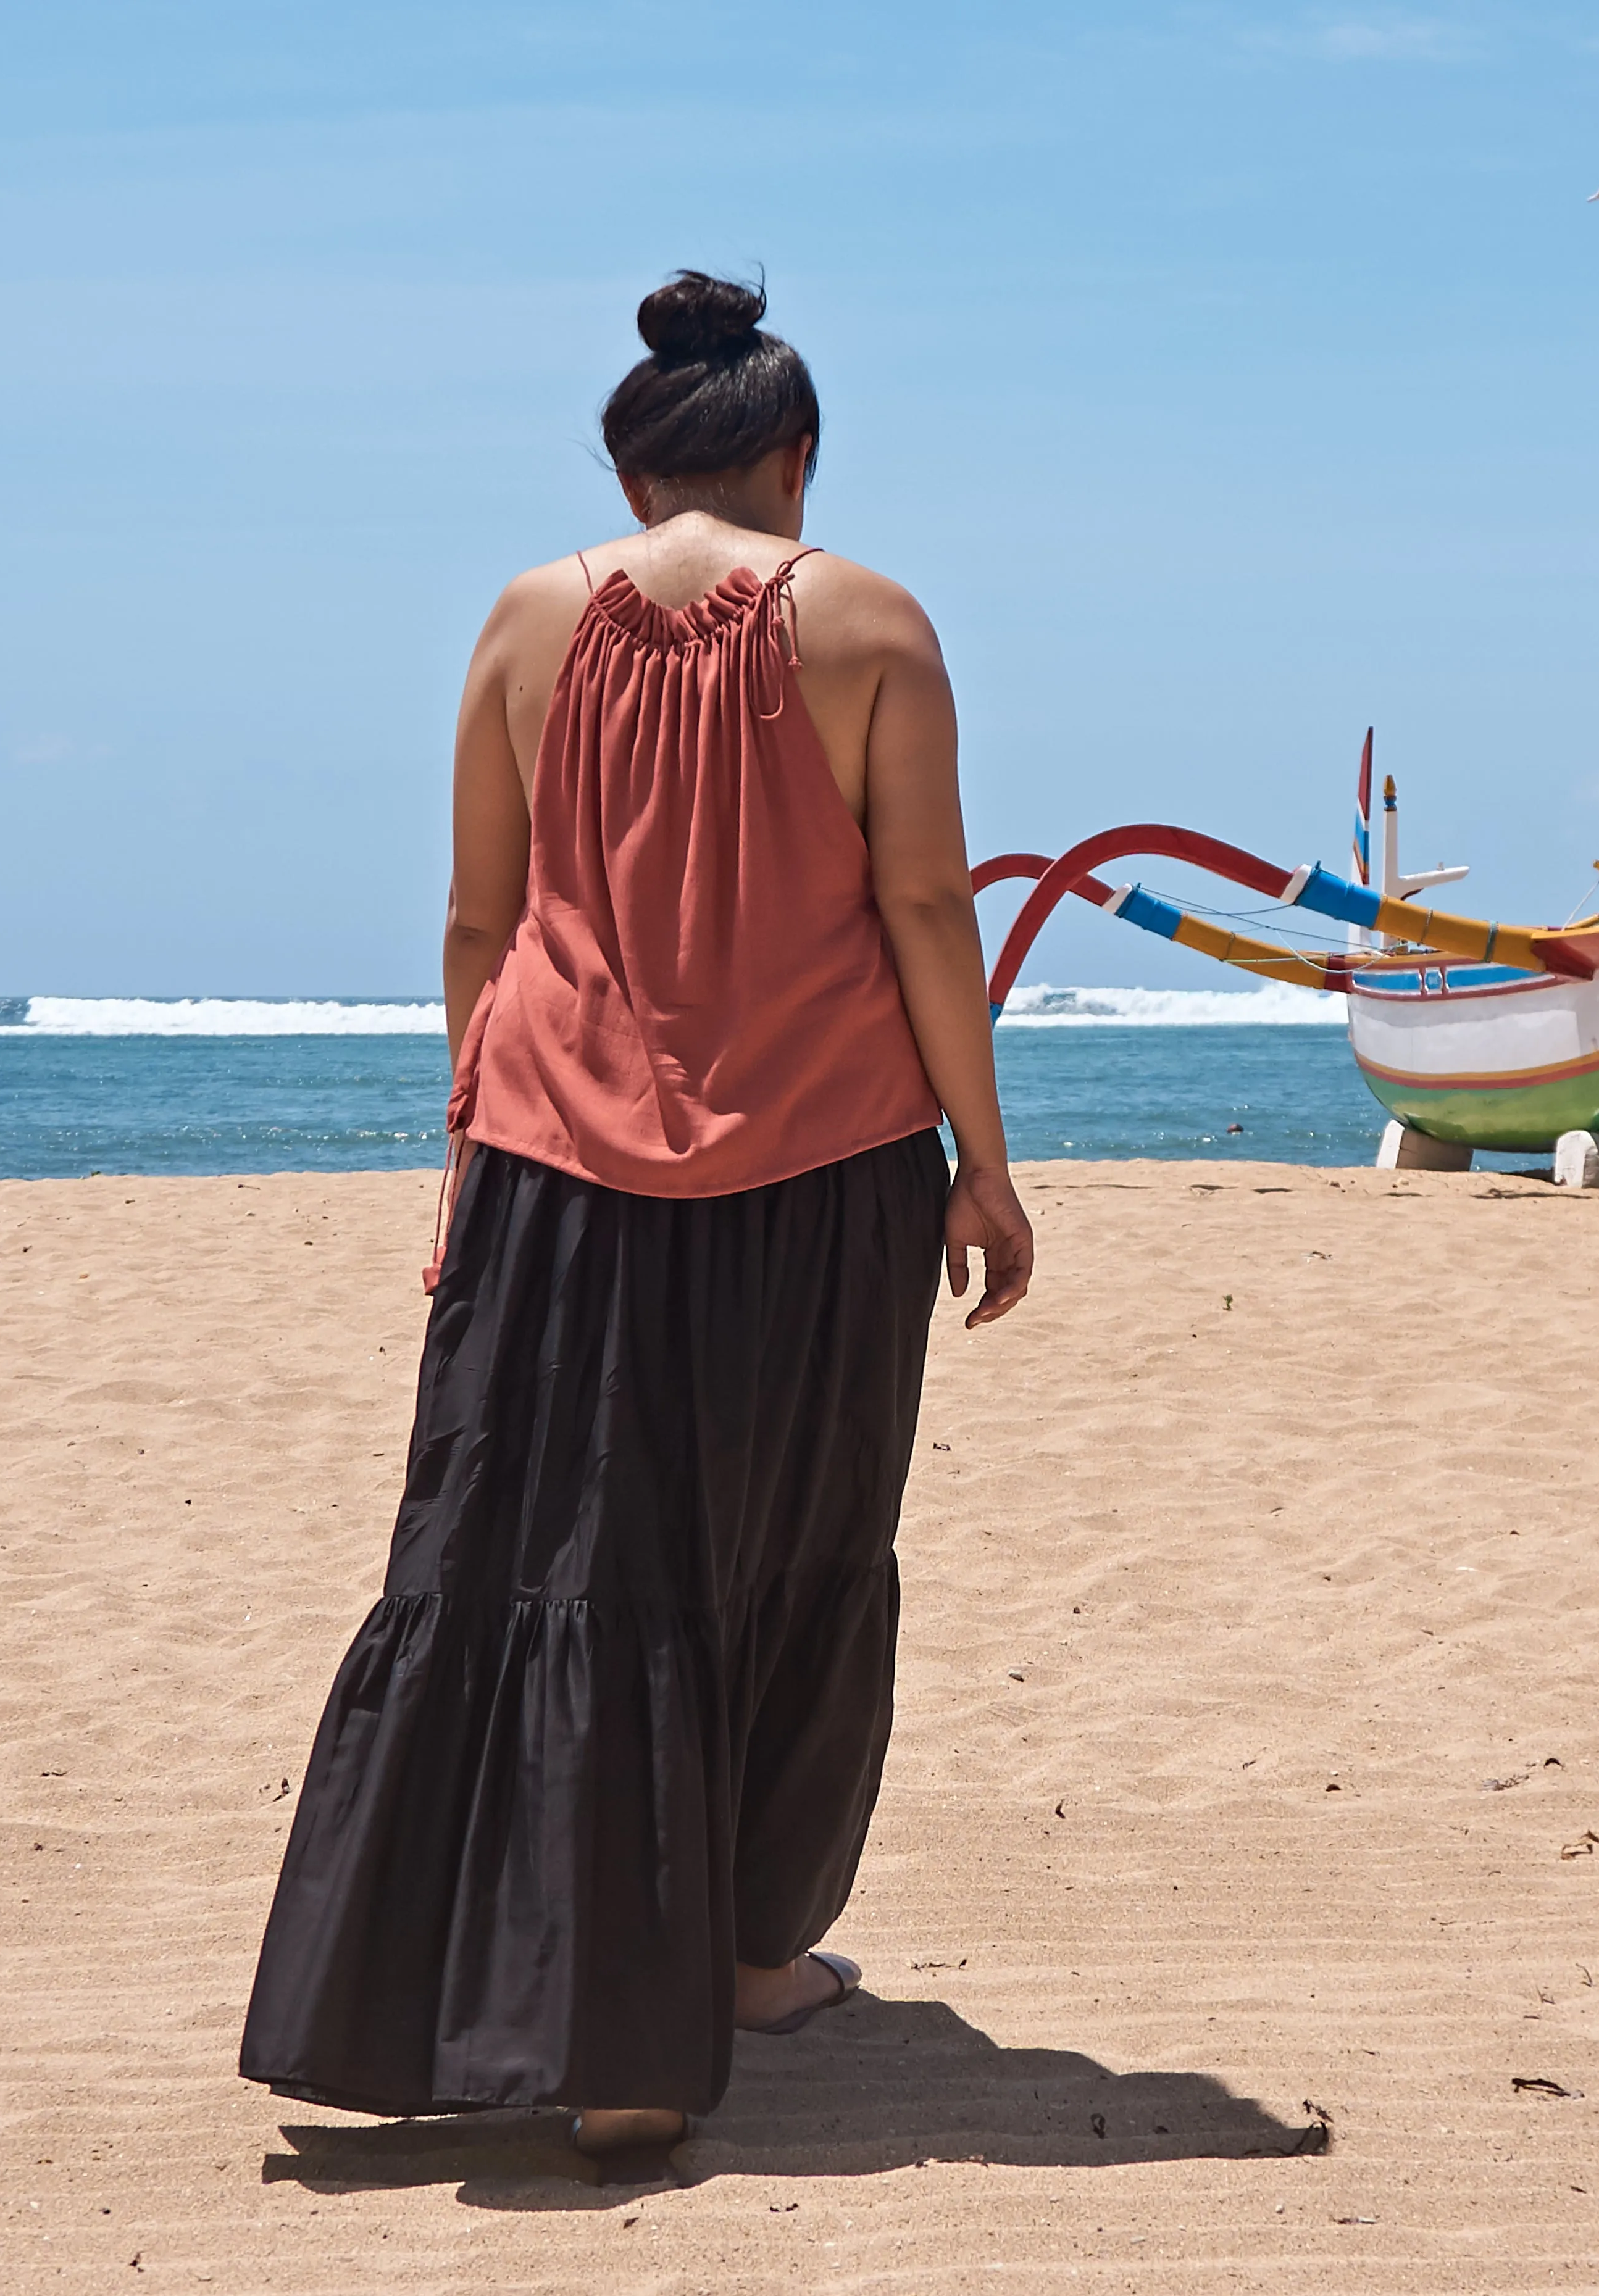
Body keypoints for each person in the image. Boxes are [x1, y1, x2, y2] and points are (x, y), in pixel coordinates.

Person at [239, 270, 1032, 2163]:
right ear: (798, 458)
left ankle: (574, 2022)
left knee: (538, 1550)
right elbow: (926, 910)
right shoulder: (874, 622)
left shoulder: (527, 620)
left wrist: (484, 1122)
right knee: (785, 1549)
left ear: (626, 462)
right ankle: (732, 1970)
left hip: (550, 1165)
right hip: (825, 1165)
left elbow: (474, 918)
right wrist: (985, 1168)